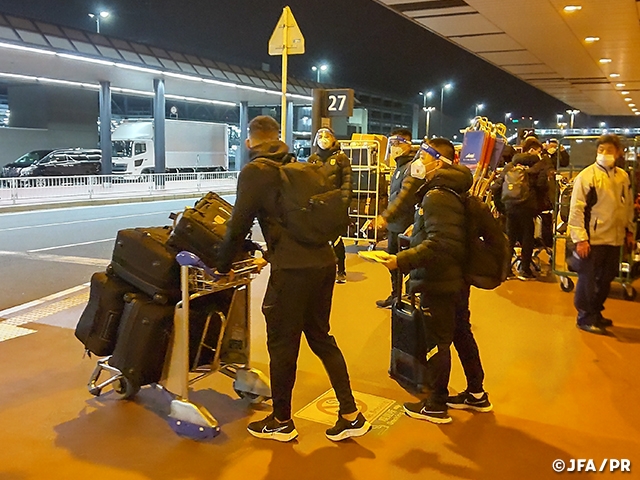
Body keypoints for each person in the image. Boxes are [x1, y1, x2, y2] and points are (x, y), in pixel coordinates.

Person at [216, 116, 370, 442]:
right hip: (323, 262)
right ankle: (350, 413)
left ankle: (281, 421)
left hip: (292, 270)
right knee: (320, 336)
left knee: (282, 344)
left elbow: (237, 225)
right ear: (278, 138)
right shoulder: (298, 166)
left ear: (249, 141)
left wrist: (221, 265)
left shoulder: (256, 172)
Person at [381, 138, 492, 424]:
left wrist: (400, 261)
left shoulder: (437, 195)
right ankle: (476, 393)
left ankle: (436, 404)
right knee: (460, 333)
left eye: (422, 156)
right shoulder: (450, 190)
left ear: (437, 161)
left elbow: (441, 244)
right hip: (455, 279)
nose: (417, 161)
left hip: (438, 280)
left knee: (437, 340)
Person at [568, 134, 635, 335]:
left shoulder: (623, 176)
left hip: (614, 238)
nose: (605, 154)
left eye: (609, 150)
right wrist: (581, 238)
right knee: (587, 280)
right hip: (592, 240)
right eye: (601, 150)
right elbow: (577, 209)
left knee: (606, 278)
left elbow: (628, 206)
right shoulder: (586, 177)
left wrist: (629, 230)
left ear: (619, 152)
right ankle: (585, 316)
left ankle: (596, 312)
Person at [491, 137, 549, 280]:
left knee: (510, 238)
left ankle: (506, 271)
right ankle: (525, 271)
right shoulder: (539, 166)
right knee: (527, 238)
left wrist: (502, 206)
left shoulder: (510, 166)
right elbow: (542, 186)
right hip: (528, 207)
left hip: (510, 206)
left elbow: (496, 187)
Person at [375, 128, 415, 308]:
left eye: (397, 143)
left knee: (406, 263)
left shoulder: (412, 167)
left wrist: (386, 216)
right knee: (392, 262)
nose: (393, 148)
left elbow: (404, 197)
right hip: (394, 225)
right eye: (391, 144)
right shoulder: (398, 167)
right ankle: (396, 295)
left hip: (405, 224)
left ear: (407, 144)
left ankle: (407, 296)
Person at [307, 127, 352, 284]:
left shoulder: (341, 159)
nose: (323, 138)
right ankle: (318, 269)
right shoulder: (313, 159)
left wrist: (344, 203)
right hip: (317, 206)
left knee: (336, 239)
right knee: (316, 239)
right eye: (320, 135)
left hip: (336, 206)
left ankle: (341, 270)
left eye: (327, 135)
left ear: (334, 139)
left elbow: (347, 183)